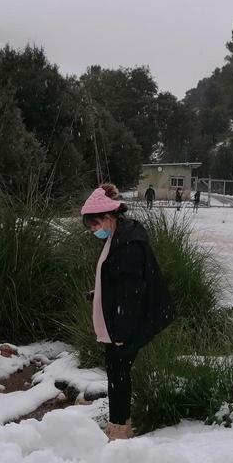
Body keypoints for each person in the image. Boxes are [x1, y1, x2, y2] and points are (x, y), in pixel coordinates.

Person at [80, 183, 175, 441]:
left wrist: (121, 332)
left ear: (108, 217)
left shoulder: (127, 243)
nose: (94, 232)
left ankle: (119, 429)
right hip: (122, 323)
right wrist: (98, 294)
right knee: (117, 375)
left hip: (126, 326)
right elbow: (118, 282)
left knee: (118, 377)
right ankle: (120, 425)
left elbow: (132, 292)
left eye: (95, 225)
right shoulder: (119, 236)